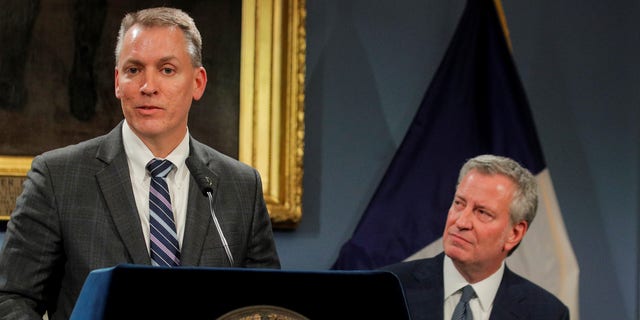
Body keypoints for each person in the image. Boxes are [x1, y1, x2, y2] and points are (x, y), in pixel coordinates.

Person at [0, 7, 280, 319]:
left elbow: (267, 308)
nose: (148, 86)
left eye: (167, 70)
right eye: (134, 70)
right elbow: (11, 299)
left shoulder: (240, 186)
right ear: (118, 81)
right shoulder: (57, 177)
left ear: (198, 83)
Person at [381, 154, 569, 320]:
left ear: (514, 233)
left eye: (482, 212)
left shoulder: (546, 313)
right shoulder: (387, 288)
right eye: (459, 203)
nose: (461, 222)